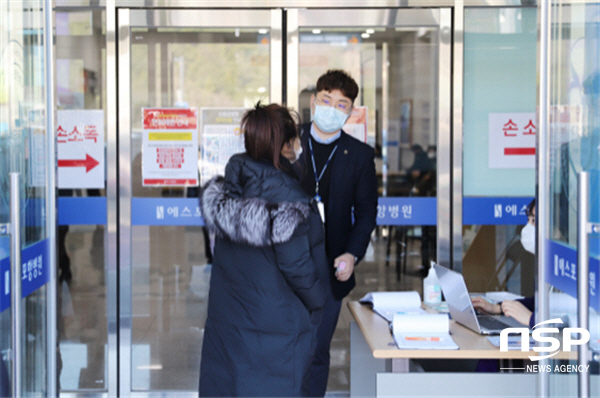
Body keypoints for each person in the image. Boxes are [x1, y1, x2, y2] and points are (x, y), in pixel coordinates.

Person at [198, 103, 327, 397]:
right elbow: (297, 267)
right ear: (283, 146)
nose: (297, 147)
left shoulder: (231, 190)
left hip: (232, 320)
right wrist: (319, 300)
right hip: (277, 327)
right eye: (294, 141)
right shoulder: (288, 196)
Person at [298, 69, 378, 397]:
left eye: (341, 104)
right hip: (285, 264)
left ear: (350, 111)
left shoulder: (359, 155)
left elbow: (367, 212)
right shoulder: (290, 143)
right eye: (326, 100)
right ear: (315, 101)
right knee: (281, 347)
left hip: (331, 267)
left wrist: (352, 253)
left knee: (317, 350)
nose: (332, 108)